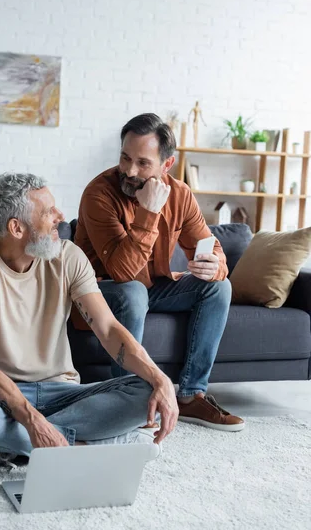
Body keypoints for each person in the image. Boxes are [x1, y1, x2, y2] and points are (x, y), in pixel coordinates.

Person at [0, 173, 178, 474]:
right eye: (48, 211)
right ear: (16, 227)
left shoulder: (68, 256)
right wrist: (30, 419)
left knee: (145, 391)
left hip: (64, 392)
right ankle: (88, 447)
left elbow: (108, 329)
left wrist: (160, 378)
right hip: (4, 397)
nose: (61, 217)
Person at [74, 113, 244, 432]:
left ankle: (191, 395)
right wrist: (148, 212)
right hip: (99, 293)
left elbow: (211, 246)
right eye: (125, 158)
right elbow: (122, 272)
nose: (130, 170)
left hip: (151, 288)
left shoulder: (179, 195)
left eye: (143, 163)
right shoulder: (99, 194)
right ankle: (128, 398)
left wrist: (215, 266)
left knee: (218, 288)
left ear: (166, 165)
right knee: (133, 291)